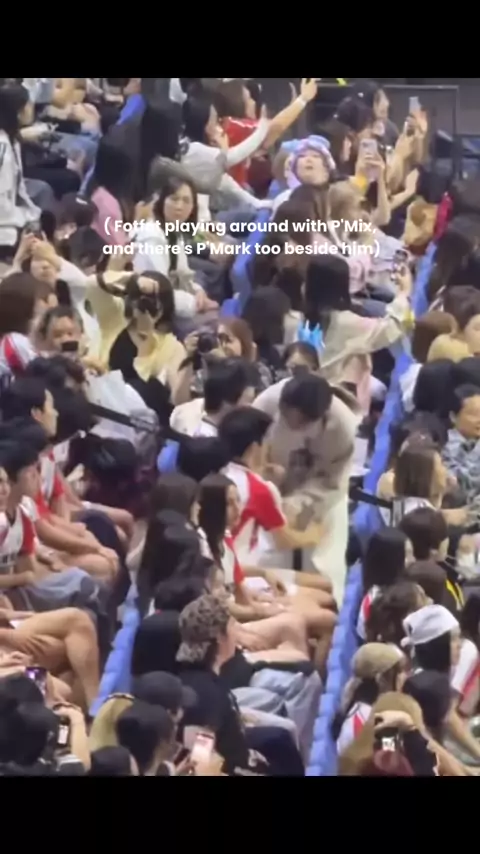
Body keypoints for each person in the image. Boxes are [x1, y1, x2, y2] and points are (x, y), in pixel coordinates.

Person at [177, 594, 305, 776]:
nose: (236, 632)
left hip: (235, 748)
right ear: (220, 638)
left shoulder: (192, 678)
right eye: (232, 626)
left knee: (281, 737)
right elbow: (200, 762)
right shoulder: (209, 699)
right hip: (233, 766)